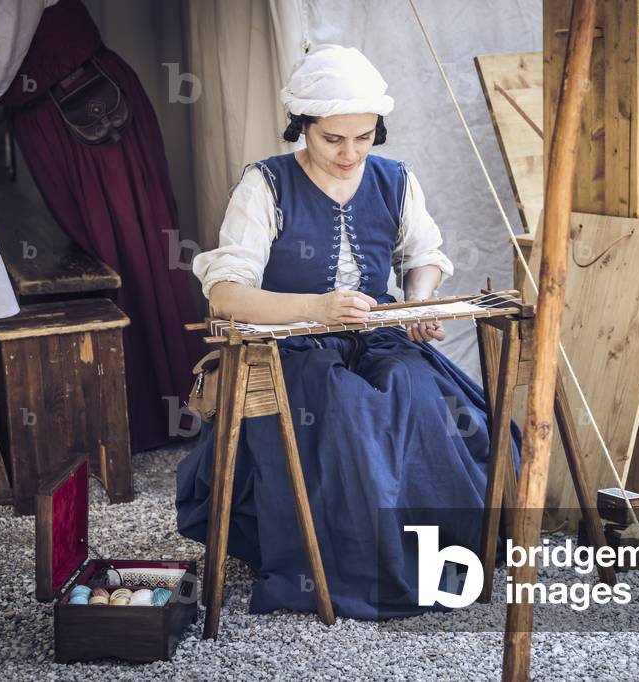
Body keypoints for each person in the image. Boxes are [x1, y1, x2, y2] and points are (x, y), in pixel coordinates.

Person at [175, 44, 519, 620]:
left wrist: (419, 302)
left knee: (423, 400)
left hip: (380, 336)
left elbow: (424, 255)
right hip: (292, 346)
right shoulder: (265, 186)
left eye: (364, 137)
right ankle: (355, 563)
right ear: (302, 127)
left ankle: (432, 555)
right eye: (334, 138)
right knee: (349, 412)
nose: (350, 152)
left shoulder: (394, 180)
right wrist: (318, 306)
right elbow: (225, 294)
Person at [0, 0, 201, 452]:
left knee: (122, 248)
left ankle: (155, 410)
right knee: (92, 248)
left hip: (88, 110)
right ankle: (116, 409)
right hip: (45, 118)